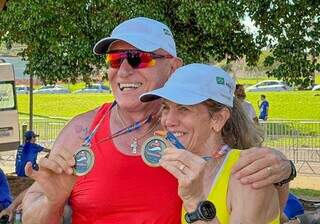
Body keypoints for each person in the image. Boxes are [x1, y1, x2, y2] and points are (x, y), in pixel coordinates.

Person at [22, 17, 294, 224]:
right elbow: (33, 213)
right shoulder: (82, 131)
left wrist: (283, 172)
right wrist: (52, 202)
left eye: (138, 58)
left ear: (174, 67)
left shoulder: (191, 133)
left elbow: (265, 204)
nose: (124, 70)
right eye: (115, 59)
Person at [140, 63, 280, 223]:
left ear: (218, 119)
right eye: (165, 107)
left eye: (184, 109)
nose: (168, 121)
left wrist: (195, 201)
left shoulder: (247, 175)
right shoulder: (183, 169)